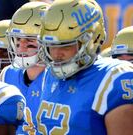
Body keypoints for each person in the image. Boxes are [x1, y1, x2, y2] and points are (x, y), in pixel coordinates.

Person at [37, 0, 133, 134]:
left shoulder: (114, 77)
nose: (56, 54)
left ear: (92, 40)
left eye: (66, 45)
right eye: (51, 45)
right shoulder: (49, 74)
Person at [0, 2, 49, 134]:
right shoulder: (7, 74)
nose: (21, 48)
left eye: (30, 41)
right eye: (17, 40)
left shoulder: (57, 78)